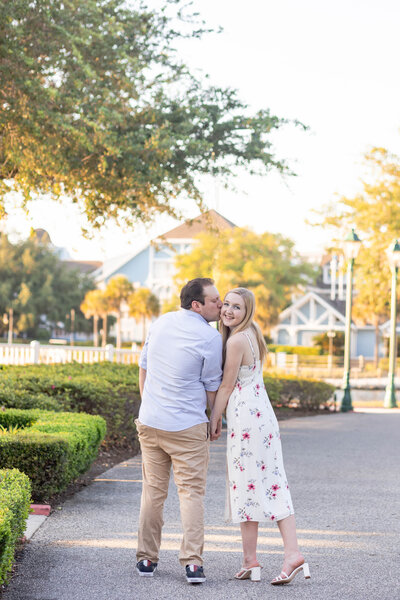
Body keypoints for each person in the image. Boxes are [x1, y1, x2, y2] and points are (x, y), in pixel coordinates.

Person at [209, 288, 310, 586]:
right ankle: (250, 560)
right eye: (226, 304)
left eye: (236, 307)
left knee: (255, 485)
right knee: (262, 483)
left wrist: (214, 418)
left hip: (247, 422)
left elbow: (226, 387)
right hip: (261, 418)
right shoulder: (252, 333)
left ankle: (291, 554)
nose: (228, 310)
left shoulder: (238, 339)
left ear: (247, 312)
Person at [135, 278, 223, 584]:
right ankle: (192, 564)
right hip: (187, 427)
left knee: (153, 493)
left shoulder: (161, 323)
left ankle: (146, 558)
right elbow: (212, 386)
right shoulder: (210, 338)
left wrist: (150, 404)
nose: (220, 305)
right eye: (215, 300)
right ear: (196, 305)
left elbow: (143, 367)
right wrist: (214, 419)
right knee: (191, 494)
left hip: (150, 422)